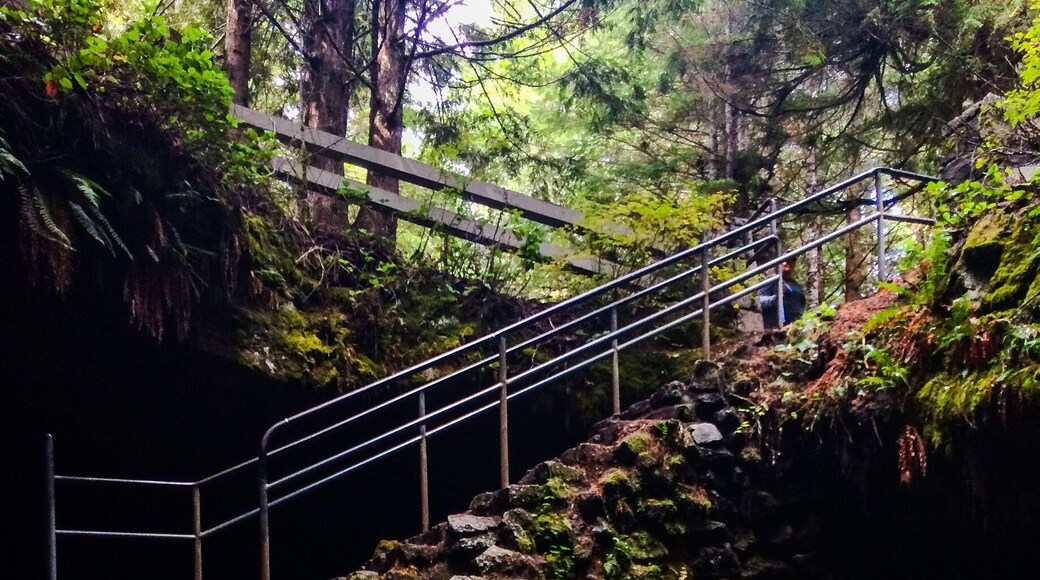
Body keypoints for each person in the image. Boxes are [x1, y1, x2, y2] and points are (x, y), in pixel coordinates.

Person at [759, 259, 806, 328]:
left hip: (794, 327)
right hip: (774, 327)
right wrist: (775, 298)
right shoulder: (771, 280)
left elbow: (801, 304)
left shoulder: (796, 284)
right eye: (785, 261)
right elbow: (759, 301)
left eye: (791, 262)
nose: (787, 264)